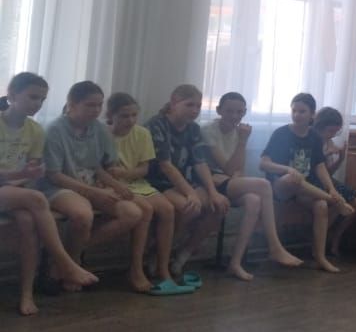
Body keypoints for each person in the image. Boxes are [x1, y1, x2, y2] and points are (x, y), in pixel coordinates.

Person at [41, 81, 153, 293]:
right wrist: (95, 192)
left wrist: (116, 186)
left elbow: (99, 167)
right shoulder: (55, 130)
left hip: (91, 183)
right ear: (72, 104)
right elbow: (54, 175)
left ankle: (67, 260)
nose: (96, 110)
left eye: (99, 105)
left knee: (132, 213)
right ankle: (72, 264)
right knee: (83, 214)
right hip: (59, 186)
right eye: (90, 105)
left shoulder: (99, 129)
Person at [0, 72, 98, 313]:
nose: (38, 104)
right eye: (32, 97)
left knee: (28, 222)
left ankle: (26, 294)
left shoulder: (35, 130)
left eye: (42, 99)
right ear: (12, 95)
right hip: (12, 190)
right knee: (36, 198)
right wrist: (20, 175)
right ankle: (65, 263)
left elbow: (31, 172)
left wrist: (27, 175)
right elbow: (19, 174)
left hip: (16, 192)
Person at [201, 91, 303, 280]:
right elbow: (228, 167)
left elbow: (238, 169)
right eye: (229, 111)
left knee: (254, 201)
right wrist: (242, 141)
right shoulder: (208, 130)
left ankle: (235, 263)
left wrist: (236, 167)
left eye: (239, 112)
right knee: (264, 184)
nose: (234, 116)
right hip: (209, 183)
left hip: (228, 182)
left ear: (245, 112)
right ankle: (274, 246)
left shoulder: (239, 132)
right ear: (218, 110)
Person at [105, 92, 191, 295]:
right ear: (111, 116)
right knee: (147, 210)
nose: (130, 120)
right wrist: (118, 178)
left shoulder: (142, 133)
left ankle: (162, 267)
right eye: (124, 116)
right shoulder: (103, 134)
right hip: (112, 185)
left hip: (137, 182)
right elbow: (102, 170)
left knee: (168, 209)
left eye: (134, 115)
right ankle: (136, 269)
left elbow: (144, 169)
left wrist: (125, 173)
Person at [145, 84, 228, 287]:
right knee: (188, 207)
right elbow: (165, 165)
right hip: (158, 182)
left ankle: (183, 253)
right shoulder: (156, 124)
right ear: (174, 102)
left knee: (219, 205)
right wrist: (190, 193)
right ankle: (159, 253)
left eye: (198, 106)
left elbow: (200, 162)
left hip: (182, 182)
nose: (194, 110)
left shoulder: (193, 129)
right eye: (189, 105)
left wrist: (212, 192)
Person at [260, 94, 350, 274]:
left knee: (321, 205)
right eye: (294, 111)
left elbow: (319, 166)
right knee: (293, 178)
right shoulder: (281, 133)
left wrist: (332, 188)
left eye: (302, 111)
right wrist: (287, 169)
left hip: (305, 188)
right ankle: (336, 201)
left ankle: (320, 257)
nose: (297, 115)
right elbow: (263, 163)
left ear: (312, 115)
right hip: (281, 186)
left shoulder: (314, 136)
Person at [313, 107, 356, 261]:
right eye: (330, 131)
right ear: (320, 126)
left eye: (335, 132)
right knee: (338, 202)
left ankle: (336, 236)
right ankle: (318, 242)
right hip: (312, 180)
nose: (332, 135)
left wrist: (340, 158)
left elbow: (328, 173)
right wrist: (324, 155)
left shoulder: (328, 141)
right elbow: (312, 171)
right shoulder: (311, 139)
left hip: (327, 180)